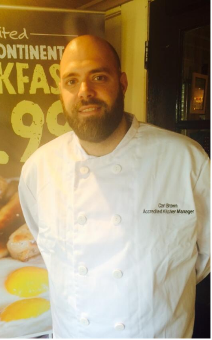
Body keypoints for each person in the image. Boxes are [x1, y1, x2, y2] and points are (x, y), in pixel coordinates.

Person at [19, 35, 211, 339]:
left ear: (121, 83)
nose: (85, 92)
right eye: (71, 81)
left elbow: (203, 260)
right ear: (61, 90)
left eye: (98, 76)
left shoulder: (186, 161)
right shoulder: (39, 169)